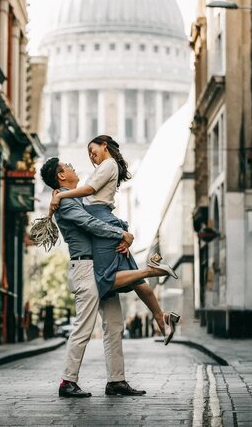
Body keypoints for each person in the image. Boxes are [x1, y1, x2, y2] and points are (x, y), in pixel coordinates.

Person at [40, 157, 167, 398]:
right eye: (68, 165)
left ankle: (116, 381)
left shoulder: (71, 198)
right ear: (61, 176)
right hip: (85, 267)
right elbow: (89, 223)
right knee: (83, 327)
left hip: (98, 265)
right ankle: (67, 381)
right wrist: (121, 233)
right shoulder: (67, 202)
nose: (72, 166)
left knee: (114, 326)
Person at [50, 134, 180, 345]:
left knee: (104, 278)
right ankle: (161, 317)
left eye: (93, 150)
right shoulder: (107, 166)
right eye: (89, 154)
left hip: (100, 221)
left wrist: (61, 196)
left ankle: (152, 269)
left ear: (105, 146)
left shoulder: (108, 165)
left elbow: (90, 191)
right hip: (107, 219)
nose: (91, 155)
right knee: (136, 280)